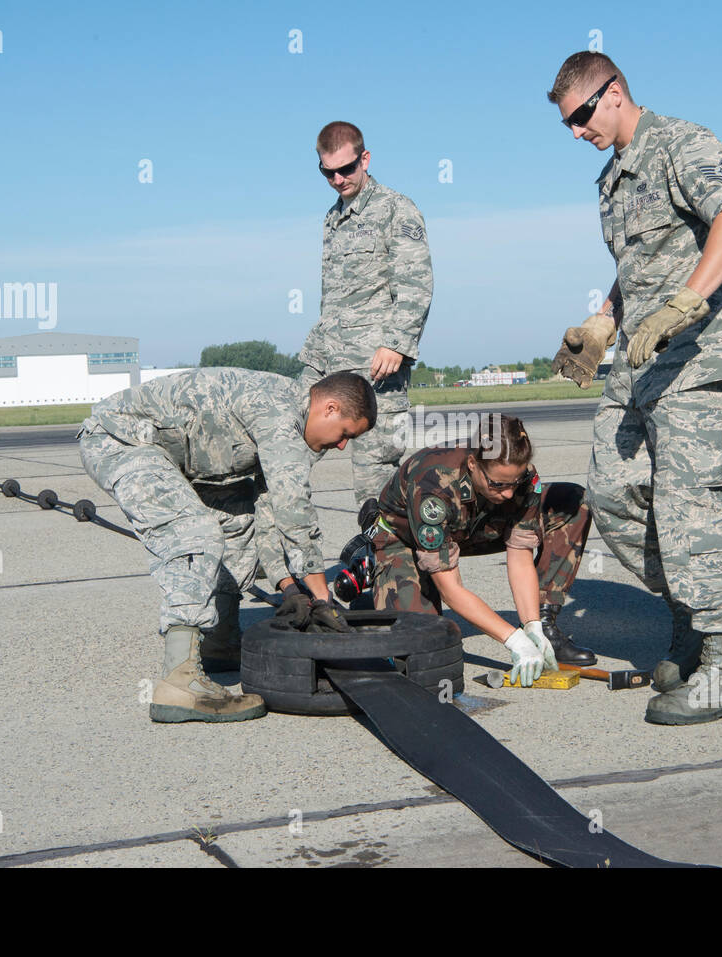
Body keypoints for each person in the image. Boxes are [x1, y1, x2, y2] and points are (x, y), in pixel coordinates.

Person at [547, 52, 722, 725]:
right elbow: (635, 265)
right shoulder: (611, 180)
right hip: (640, 365)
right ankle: (692, 622)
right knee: (611, 494)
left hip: (699, 358)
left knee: (688, 506)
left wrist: (686, 303)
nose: (578, 131)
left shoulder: (680, 143)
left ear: (614, 93)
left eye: (582, 115)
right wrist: (602, 319)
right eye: (568, 125)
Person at [78, 368, 376, 723]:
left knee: (238, 522)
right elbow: (294, 507)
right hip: (123, 441)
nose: (342, 446)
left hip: (183, 460)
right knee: (193, 532)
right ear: (329, 408)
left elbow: (269, 512)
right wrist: (320, 595)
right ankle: (179, 682)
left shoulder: (292, 425)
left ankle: (219, 644)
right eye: (345, 434)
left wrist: (288, 586)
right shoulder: (279, 413)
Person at [367, 413, 596, 688]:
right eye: (499, 484)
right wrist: (513, 640)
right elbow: (451, 589)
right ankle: (385, 580)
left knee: (572, 501)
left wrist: (531, 625)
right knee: (422, 654)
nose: (509, 494)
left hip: (475, 527)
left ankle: (546, 627)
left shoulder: (522, 478)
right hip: (404, 540)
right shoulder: (433, 485)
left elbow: (520, 554)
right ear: (473, 464)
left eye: (515, 482)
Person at [299, 120, 433, 505]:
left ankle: (385, 562)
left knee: (375, 482)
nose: (338, 179)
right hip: (330, 362)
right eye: (329, 172)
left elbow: (416, 284)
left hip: (378, 368)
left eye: (347, 169)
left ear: (365, 159)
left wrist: (396, 344)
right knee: (288, 453)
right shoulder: (332, 218)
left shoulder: (397, 210)